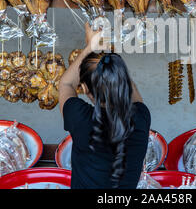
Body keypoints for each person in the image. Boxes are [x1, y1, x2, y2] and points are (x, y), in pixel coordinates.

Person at [58, 23, 151, 189]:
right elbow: (130, 88)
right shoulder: (140, 117)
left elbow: (66, 84)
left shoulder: (80, 118)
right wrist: (110, 59)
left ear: (85, 89)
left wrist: (89, 48)